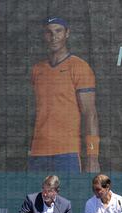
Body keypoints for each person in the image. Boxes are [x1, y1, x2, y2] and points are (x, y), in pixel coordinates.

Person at [29, 16, 100, 173]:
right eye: (49, 32)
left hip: (67, 153)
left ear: (67, 33)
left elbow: (90, 115)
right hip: (37, 153)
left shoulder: (79, 67)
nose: (54, 37)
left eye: (58, 31)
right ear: (44, 35)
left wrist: (92, 157)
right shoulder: (37, 70)